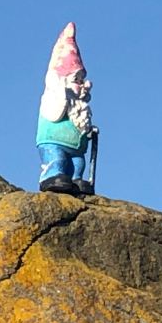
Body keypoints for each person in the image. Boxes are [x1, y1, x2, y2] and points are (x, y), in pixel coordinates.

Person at [36, 22, 97, 195]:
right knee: (57, 159)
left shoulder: (79, 105)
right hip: (54, 142)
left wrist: (89, 131)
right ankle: (52, 176)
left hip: (75, 147)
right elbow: (53, 114)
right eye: (76, 80)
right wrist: (62, 97)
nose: (81, 85)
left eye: (81, 80)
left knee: (78, 163)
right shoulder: (54, 97)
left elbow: (80, 120)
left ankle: (75, 180)